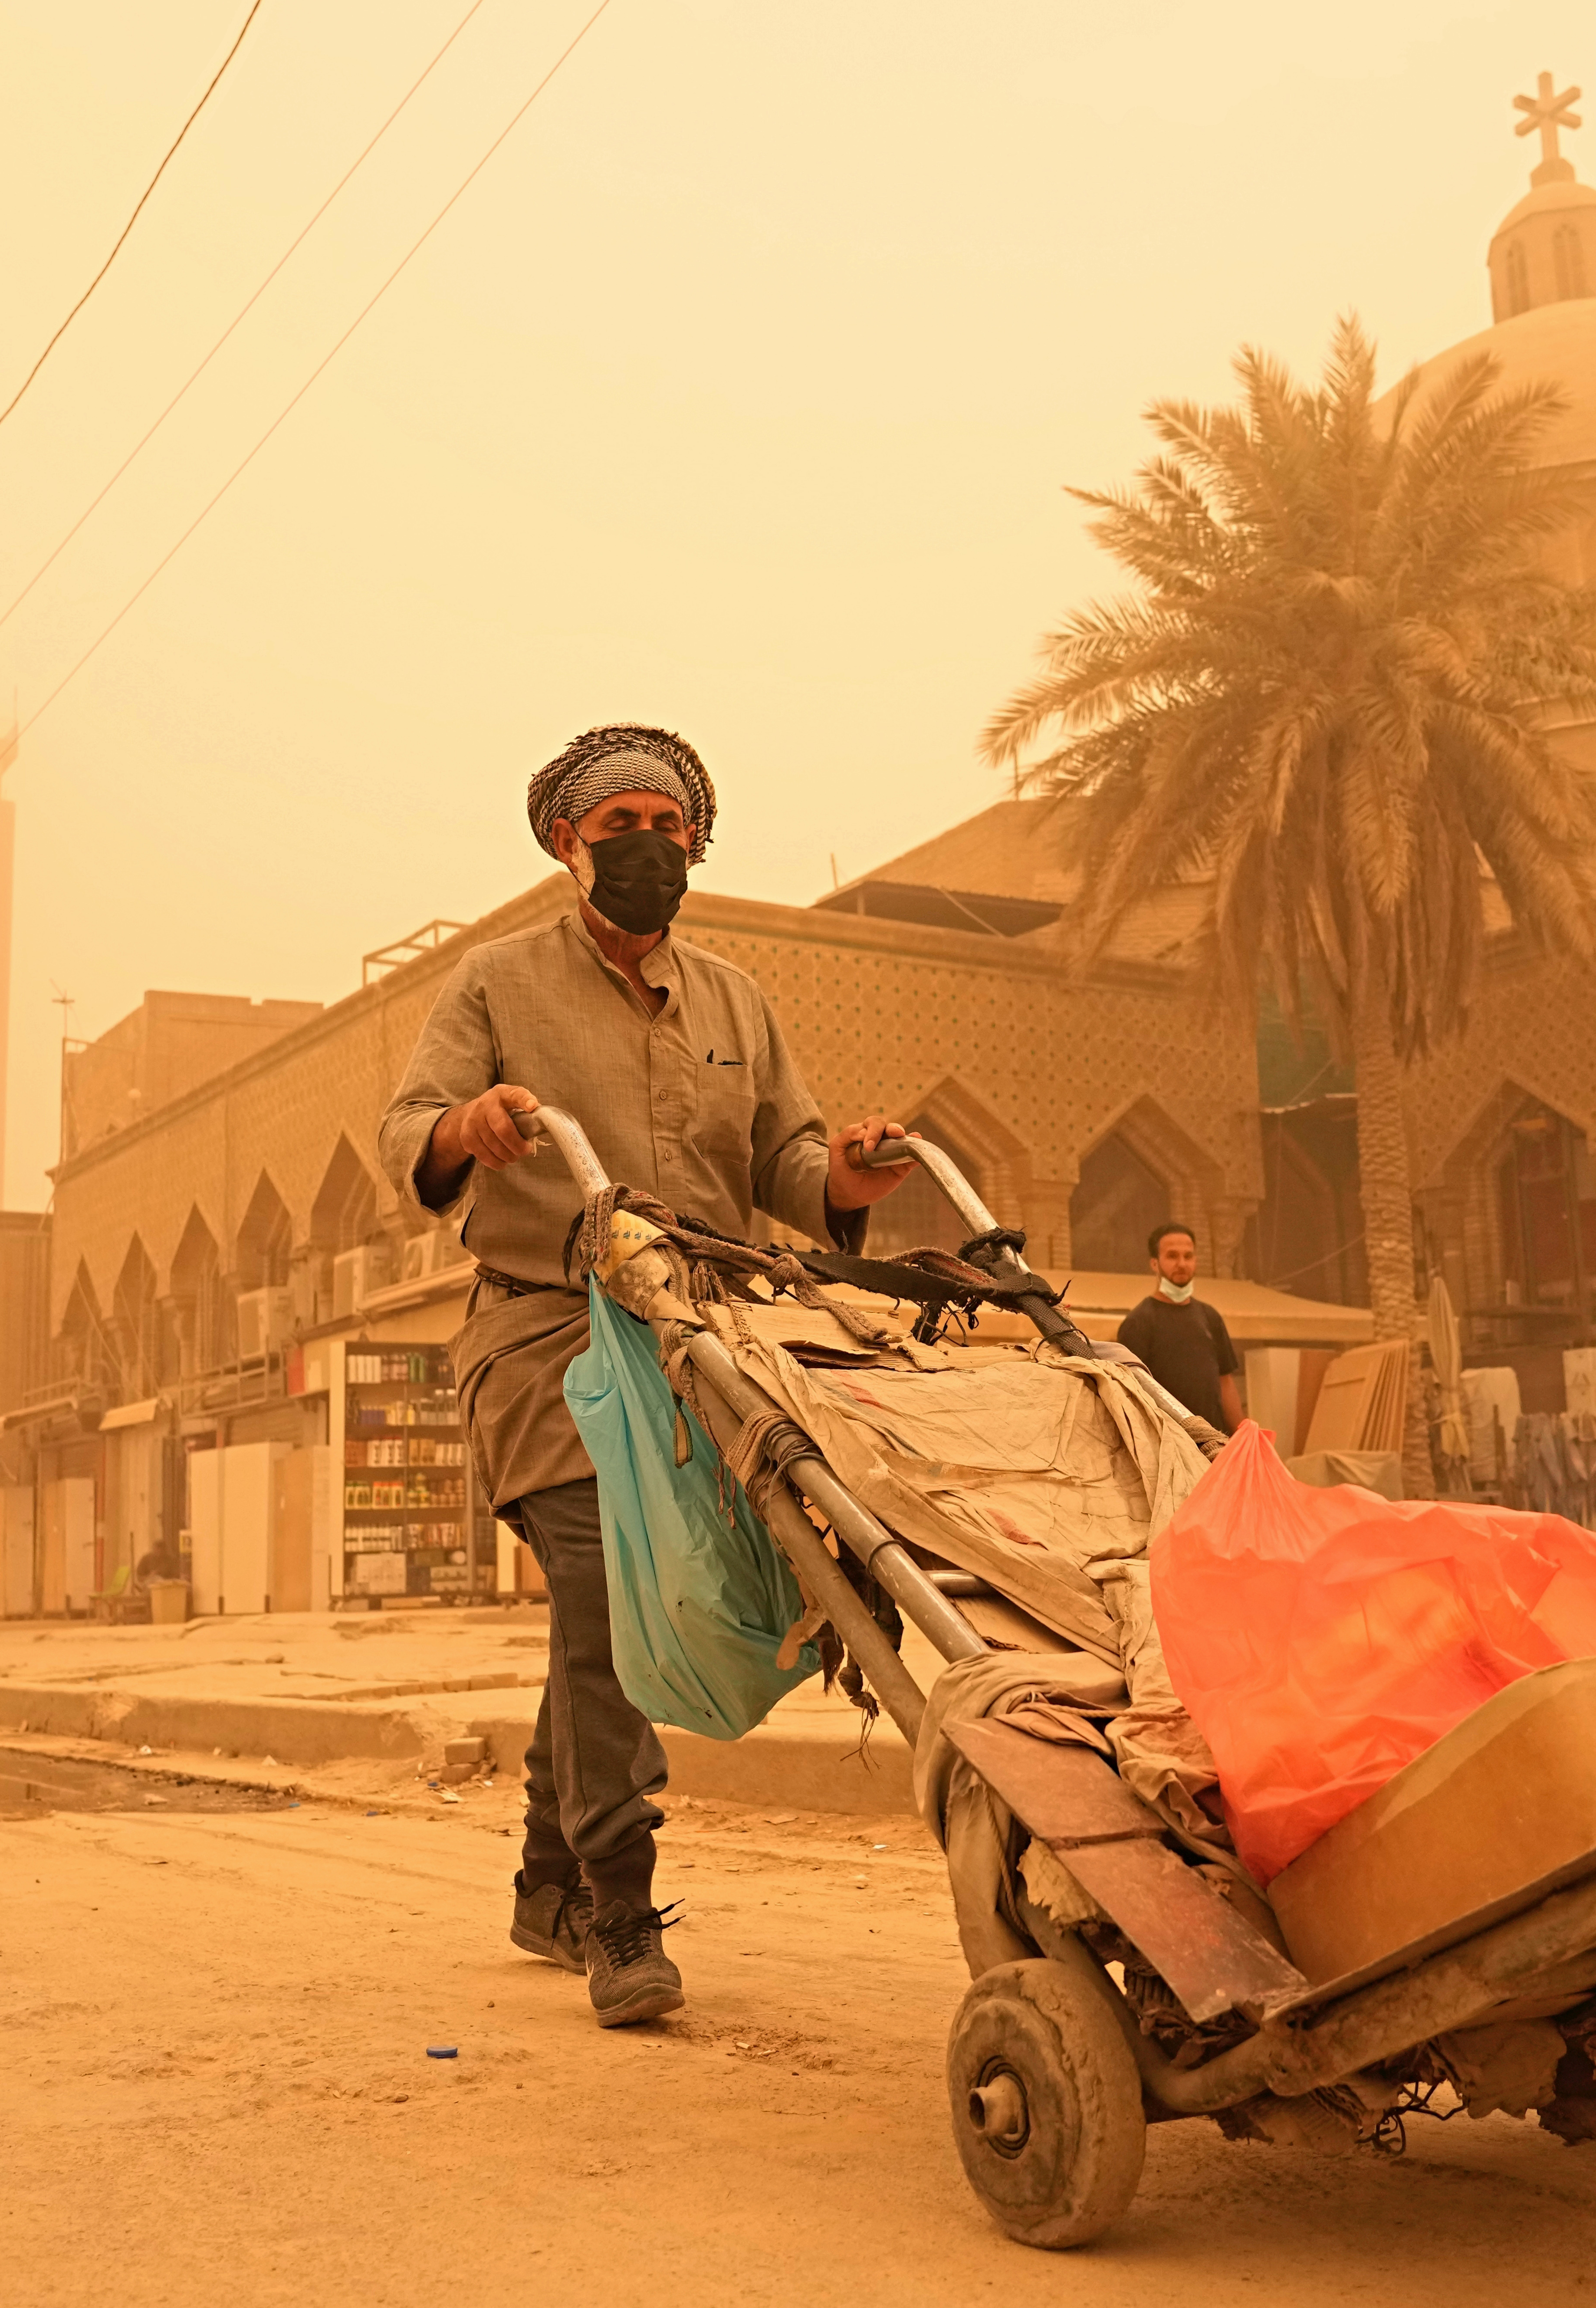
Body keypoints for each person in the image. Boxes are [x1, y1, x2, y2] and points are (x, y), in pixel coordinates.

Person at [379, 725, 912, 2028]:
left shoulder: (736, 1000)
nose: (645, 848)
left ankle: (543, 1872)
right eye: (616, 826)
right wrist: (465, 1123)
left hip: (700, 1335)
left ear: (694, 844)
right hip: (548, 1331)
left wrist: (843, 1177)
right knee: (603, 1575)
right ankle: (617, 1900)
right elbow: (407, 1127)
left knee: (676, 1595)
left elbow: (784, 1161)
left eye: (668, 829)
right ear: (569, 844)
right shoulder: (495, 980)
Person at [1115, 1221, 1242, 1433]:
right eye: (1173, 1256)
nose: (1182, 1264)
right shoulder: (1139, 1322)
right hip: (1168, 1443)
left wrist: (1242, 1436)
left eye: (1188, 1256)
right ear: (1155, 1264)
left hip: (1215, 1441)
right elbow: (1130, 1392)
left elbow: (1225, 1382)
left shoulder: (1210, 1317)